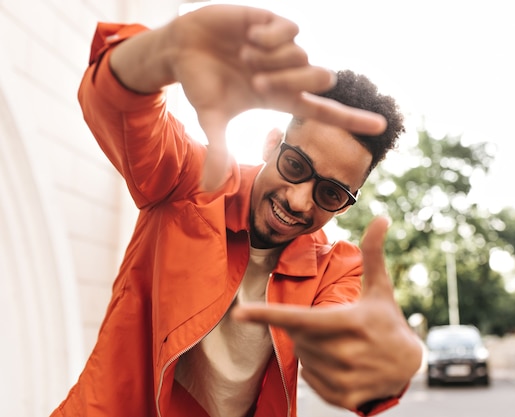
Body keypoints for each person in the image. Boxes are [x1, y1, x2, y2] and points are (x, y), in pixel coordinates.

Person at [52, 3, 422, 417]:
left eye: (331, 194)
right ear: (270, 144)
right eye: (295, 166)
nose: (298, 202)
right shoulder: (188, 182)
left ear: (347, 203)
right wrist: (166, 50)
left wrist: (376, 366)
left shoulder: (335, 269)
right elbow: (115, 104)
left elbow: (345, 335)